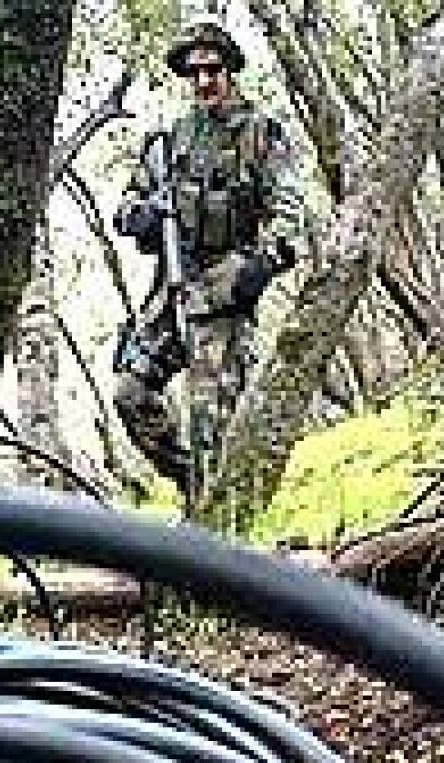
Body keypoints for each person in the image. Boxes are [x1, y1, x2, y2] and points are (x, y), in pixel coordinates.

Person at [113, 17, 304, 498]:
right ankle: (193, 484)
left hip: (224, 291)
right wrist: (141, 218)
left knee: (209, 424)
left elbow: (291, 214)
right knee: (130, 394)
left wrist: (261, 267)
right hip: (171, 286)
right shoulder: (167, 142)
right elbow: (128, 205)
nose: (203, 81)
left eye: (213, 69)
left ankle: (214, 519)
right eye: (193, 72)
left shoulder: (261, 134)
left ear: (229, 70)